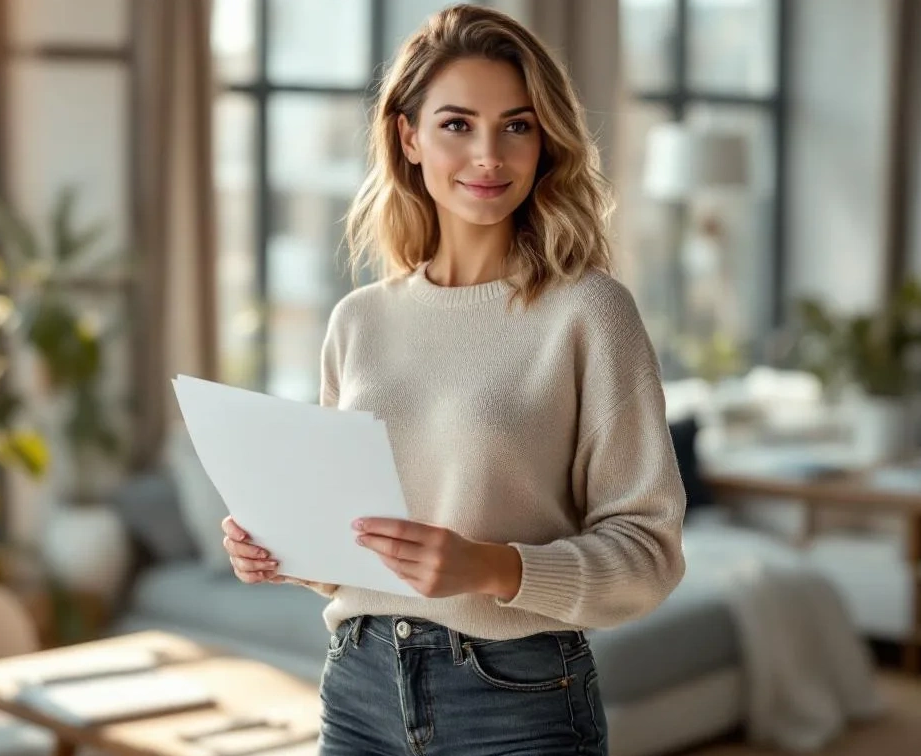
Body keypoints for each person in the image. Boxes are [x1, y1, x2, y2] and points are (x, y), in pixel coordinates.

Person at [220, 4, 685, 754]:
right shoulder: (358, 320)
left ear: (546, 140)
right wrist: (285, 551)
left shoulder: (589, 312)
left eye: (517, 125)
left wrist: (493, 567)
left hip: (516, 699)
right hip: (358, 684)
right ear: (409, 136)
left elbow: (651, 555)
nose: (489, 156)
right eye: (457, 124)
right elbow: (354, 557)